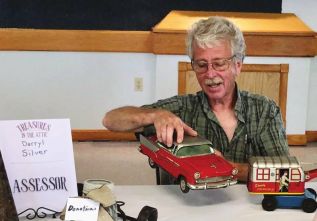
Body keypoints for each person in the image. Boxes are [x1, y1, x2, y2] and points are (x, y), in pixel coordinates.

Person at [103, 16, 289, 182]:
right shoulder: (181, 109)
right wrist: (154, 116)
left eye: (219, 64)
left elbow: (284, 173)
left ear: (237, 66)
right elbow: (110, 120)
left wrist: (231, 169)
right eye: (201, 64)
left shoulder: (265, 110)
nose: (210, 73)